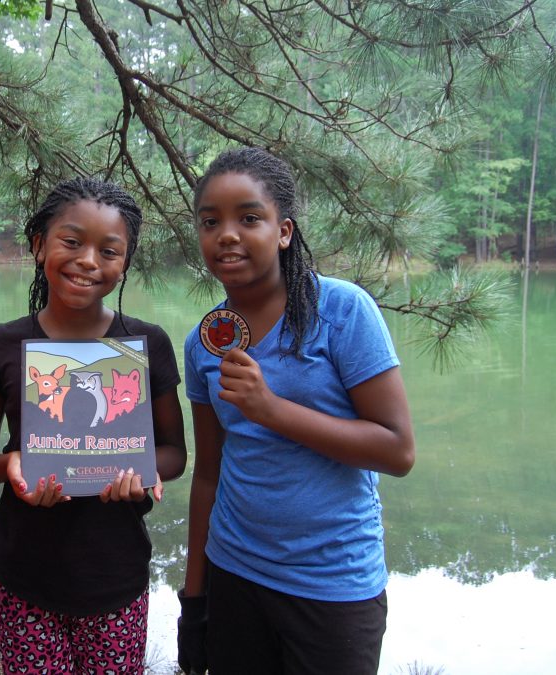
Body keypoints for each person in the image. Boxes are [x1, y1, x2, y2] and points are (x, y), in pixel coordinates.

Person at [177, 147, 416, 675]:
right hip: (234, 572)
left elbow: (397, 451)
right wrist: (194, 600)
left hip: (332, 584)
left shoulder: (342, 310)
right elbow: (208, 477)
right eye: (210, 221)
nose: (228, 234)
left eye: (250, 218)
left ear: (283, 231)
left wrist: (272, 409)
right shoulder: (203, 343)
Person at [0, 177, 187, 673]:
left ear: (124, 262)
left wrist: (142, 470)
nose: (89, 260)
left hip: (116, 574)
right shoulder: (5, 343)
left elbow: (175, 453)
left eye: (109, 250)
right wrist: (11, 464)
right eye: (72, 241)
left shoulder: (146, 343)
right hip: (26, 574)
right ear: (40, 244)